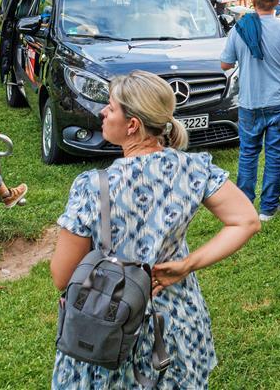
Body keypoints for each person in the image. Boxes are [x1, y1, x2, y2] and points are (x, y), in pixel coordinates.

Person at [50, 71, 259, 387]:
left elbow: (62, 276)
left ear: (132, 125)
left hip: (108, 324)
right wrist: (186, 265)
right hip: (175, 320)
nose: (103, 112)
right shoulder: (193, 170)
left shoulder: (93, 187)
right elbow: (246, 220)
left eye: (110, 106)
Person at [219, 0, 280, 221]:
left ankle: (244, 206)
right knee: (275, 155)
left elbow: (225, 64)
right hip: (279, 101)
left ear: (253, 2)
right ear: (277, 2)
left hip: (249, 102)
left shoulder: (240, 29)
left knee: (248, 153)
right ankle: (269, 208)